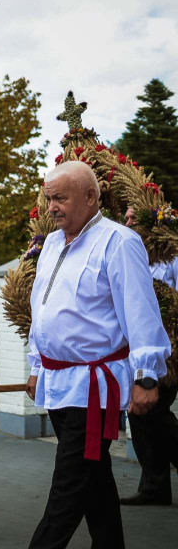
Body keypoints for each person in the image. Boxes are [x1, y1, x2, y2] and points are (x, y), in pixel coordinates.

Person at [0, 162, 170, 549]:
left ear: (91, 198)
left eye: (61, 198)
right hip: (58, 379)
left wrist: (147, 376)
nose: (51, 207)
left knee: (71, 478)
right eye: (48, 198)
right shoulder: (52, 243)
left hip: (94, 385)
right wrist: (36, 364)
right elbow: (43, 308)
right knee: (94, 476)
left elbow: (141, 312)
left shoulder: (119, 241)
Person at [118, 208, 178, 506]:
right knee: (138, 414)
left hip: (168, 352)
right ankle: (154, 485)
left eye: (132, 218)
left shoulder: (173, 256)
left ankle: (155, 484)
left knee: (156, 411)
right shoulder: (129, 254)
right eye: (126, 218)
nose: (127, 222)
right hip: (137, 353)